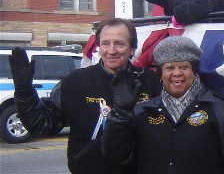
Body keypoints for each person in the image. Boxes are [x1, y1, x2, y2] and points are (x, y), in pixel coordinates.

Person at [8, 18, 161, 173]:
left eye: (119, 44)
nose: (112, 50)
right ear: (99, 47)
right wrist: (24, 90)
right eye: (105, 43)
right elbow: (42, 124)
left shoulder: (149, 80)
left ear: (132, 48)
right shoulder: (76, 81)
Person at [102, 36, 224, 174]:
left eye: (184, 67)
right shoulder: (142, 111)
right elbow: (117, 154)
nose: (177, 73)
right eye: (169, 68)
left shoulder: (218, 109)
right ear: (160, 74)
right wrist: (121, 113)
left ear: (194, 71)